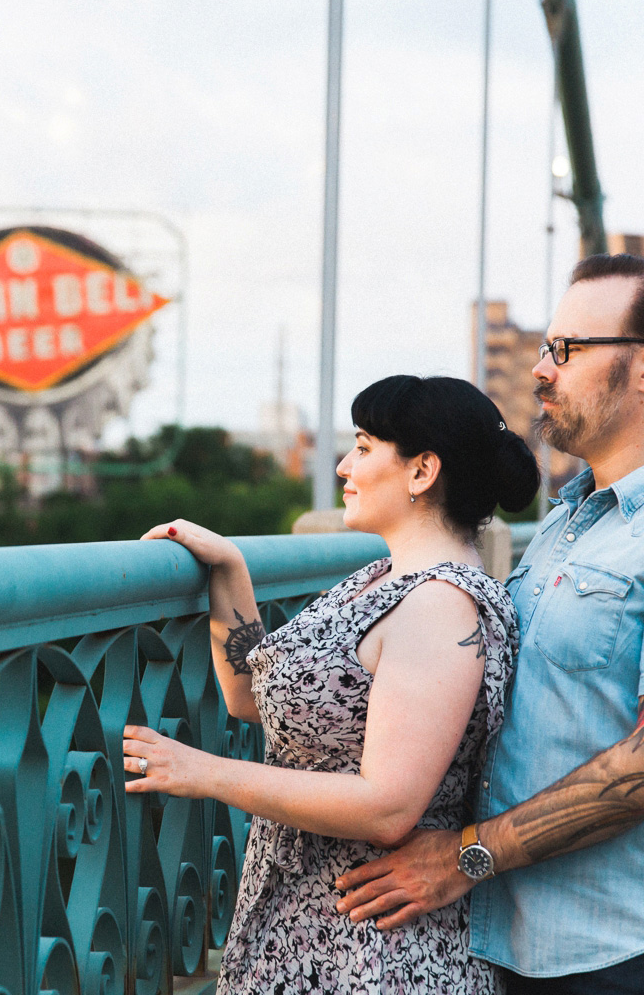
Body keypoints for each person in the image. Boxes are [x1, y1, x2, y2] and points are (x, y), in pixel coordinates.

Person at [335, 255, 644, 995]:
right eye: (546, 349)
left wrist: (464, 858)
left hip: (639, 954)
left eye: (567, 350)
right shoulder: (561, 528)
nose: (542, 371)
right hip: (513, 948)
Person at [121, 375, 539, 993]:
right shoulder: (378, 579)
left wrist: (203, 772)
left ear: (423, 470)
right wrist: (231, 571)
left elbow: (389, 806)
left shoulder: (440, 605)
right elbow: (250, 698)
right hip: (310, 927)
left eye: (365, 447)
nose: (345, 464)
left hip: (377, 949)